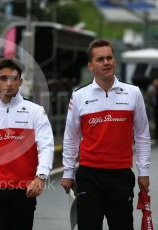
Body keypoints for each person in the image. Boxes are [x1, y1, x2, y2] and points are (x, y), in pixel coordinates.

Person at [61, 39, 151, 230]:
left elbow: (142, 136)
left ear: (115, 62)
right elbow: (71, 137)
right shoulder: (79, 96)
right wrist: (68, 172)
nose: (106, 62)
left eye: (109, 58)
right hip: (89, 175)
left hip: (121, 175)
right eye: (100, 59)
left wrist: (143, 172)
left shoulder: (133, 93)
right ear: (90, 65)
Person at [0, 58, 54, 230]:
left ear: (20, 82)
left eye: (14, 78)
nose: (9, 83)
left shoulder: (35, 111)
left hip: (24, 191)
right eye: (3, 78)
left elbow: (46, 147)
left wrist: (40, 177)